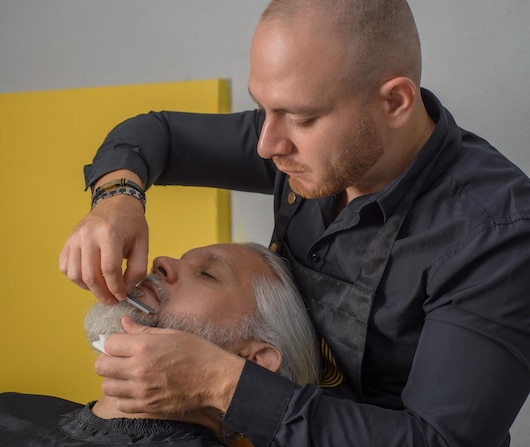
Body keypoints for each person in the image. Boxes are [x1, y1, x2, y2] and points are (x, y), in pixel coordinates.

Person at [60, 0, 530, 446]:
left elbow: (442, 441)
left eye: (302, 117)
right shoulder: (301, 148)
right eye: (263, 107)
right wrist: (117, 198)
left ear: (395, 103)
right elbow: (158, 134)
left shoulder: (495, 233)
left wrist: (220, 384)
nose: (266, 145)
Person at [0, 243, 319, 447]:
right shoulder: (8, 407)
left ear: (252, 359)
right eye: (182, 258)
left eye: (207, 273)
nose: (163, 260)